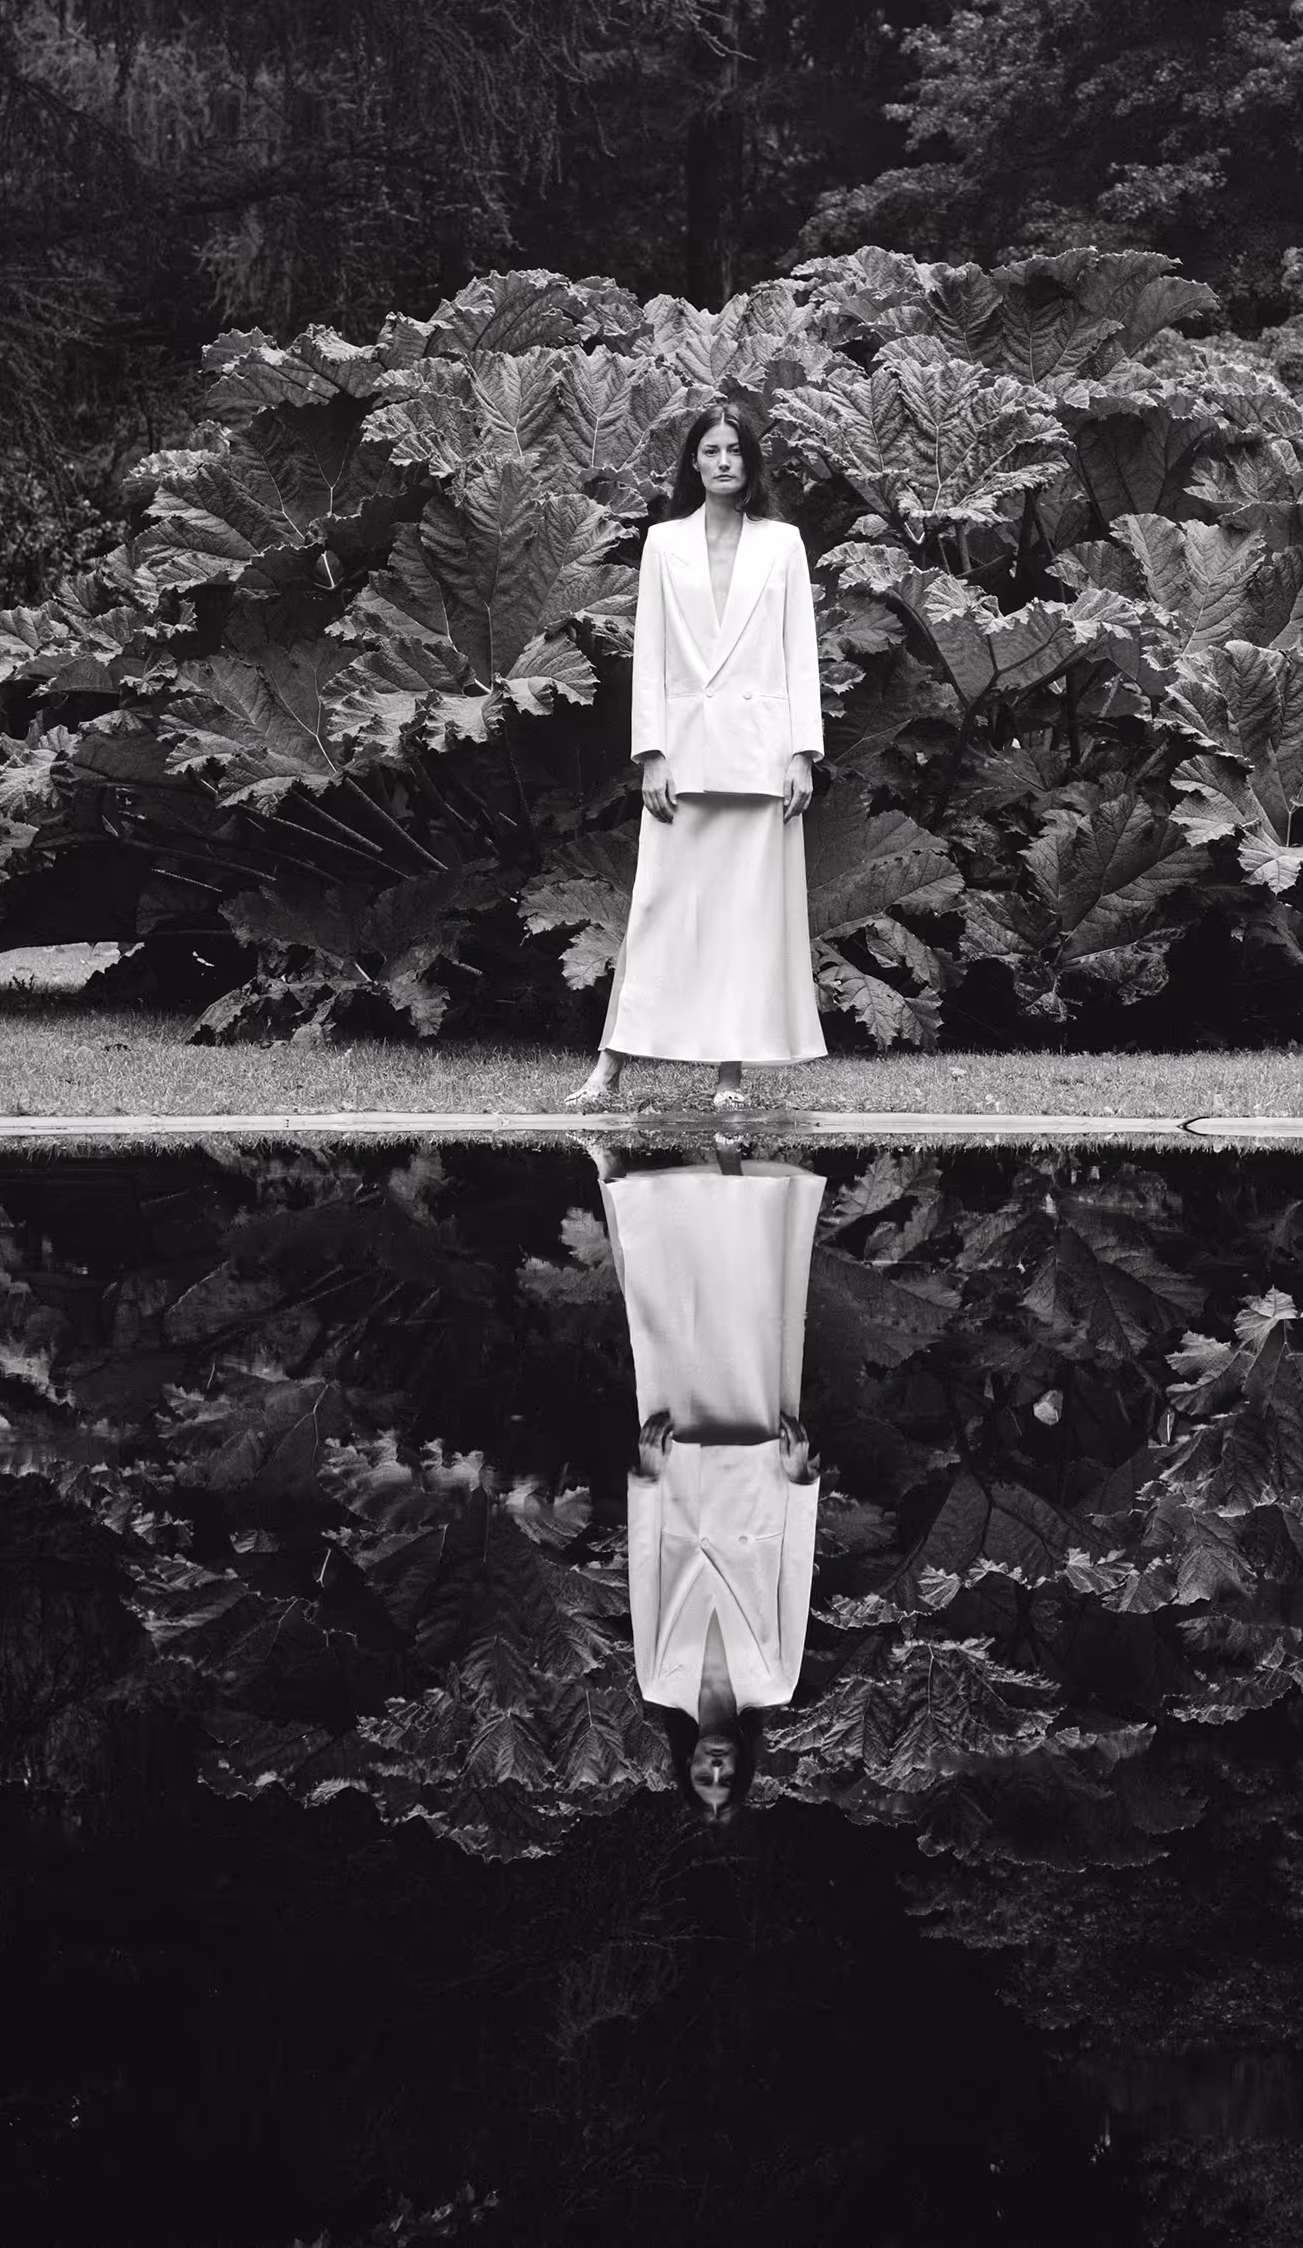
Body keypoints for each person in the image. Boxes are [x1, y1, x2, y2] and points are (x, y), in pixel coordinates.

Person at [565, 401, 827, 1113]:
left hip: (759, 756)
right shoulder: (663, 544)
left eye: (733, 451)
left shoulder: (782, 543)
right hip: (681, 757)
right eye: (709, 451)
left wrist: (804, 753)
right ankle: (610, 1065)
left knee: (744, 918)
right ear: (692, 462)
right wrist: (650, 753)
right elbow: (647, 656)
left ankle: (729, 1077)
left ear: (750, 462)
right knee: (657, 908)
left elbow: (799, 653)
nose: (721, 462)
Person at [585, 1136, 824, 1820]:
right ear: (744, 1767)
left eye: (702, 1778)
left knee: (659, 1331)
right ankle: (736, 1169)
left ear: (687, 1765)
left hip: (683, 1479)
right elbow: (794, 1574)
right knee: (752, 1323)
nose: (714, 1769)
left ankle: (615, 1173)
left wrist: (648, 1480)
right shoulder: (775, 1681)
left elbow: (646, 1574)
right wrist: (798, 1481)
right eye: (726, 1779)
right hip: (755, 1479)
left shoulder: (660, 1682)